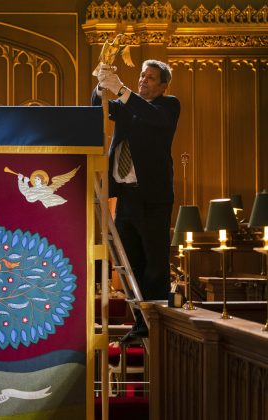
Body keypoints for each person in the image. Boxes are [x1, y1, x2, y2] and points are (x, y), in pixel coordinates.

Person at [92, 60, 180, 342]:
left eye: (150, 78)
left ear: (163, 85)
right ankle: (141, 324)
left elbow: (151, 117)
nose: (143, 80)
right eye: (142, 75)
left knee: (155, 265)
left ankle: (157, 327)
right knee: (131, 264)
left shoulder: (168, 106)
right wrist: (101, 85)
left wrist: (121, 88)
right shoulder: (130, 106)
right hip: (127, 196)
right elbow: (100, 108)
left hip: (153, 198)